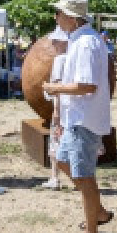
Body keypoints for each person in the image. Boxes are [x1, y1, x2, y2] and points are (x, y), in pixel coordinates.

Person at [41, 0, 114, 233]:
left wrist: (56, 88)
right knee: (63, 161)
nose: (56, 18)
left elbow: (87, 85)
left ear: (72, 18)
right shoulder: (82, 41)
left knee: (84, 175)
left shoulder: (85, 44)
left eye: (59, 13)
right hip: (78, 117)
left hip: (84, 118)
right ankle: (98, 211)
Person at [39, 26, 70, 190]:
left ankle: (55, 177)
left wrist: (56, 110)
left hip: (63, 107)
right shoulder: (74, 57)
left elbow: (57, 87)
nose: (53, 44)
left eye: (55, 41)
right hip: (75, 107)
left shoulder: (60, 60)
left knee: (56, 142)